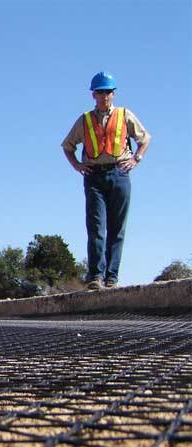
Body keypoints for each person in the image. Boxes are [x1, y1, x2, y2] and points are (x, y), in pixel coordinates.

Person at [62, 71, 150, 290]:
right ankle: (96, 276)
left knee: (117, 228)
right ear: (93, 95)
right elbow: (67, 146)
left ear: (113, 94)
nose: (104, 97)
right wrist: (77, 166)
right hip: (94, 176)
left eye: (108, 92)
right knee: (96, 227)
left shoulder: (124, 115)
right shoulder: (85, 120)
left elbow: (145, 138)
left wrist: (136, 158)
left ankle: (112, 277)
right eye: (100, 93)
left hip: (119, 174)